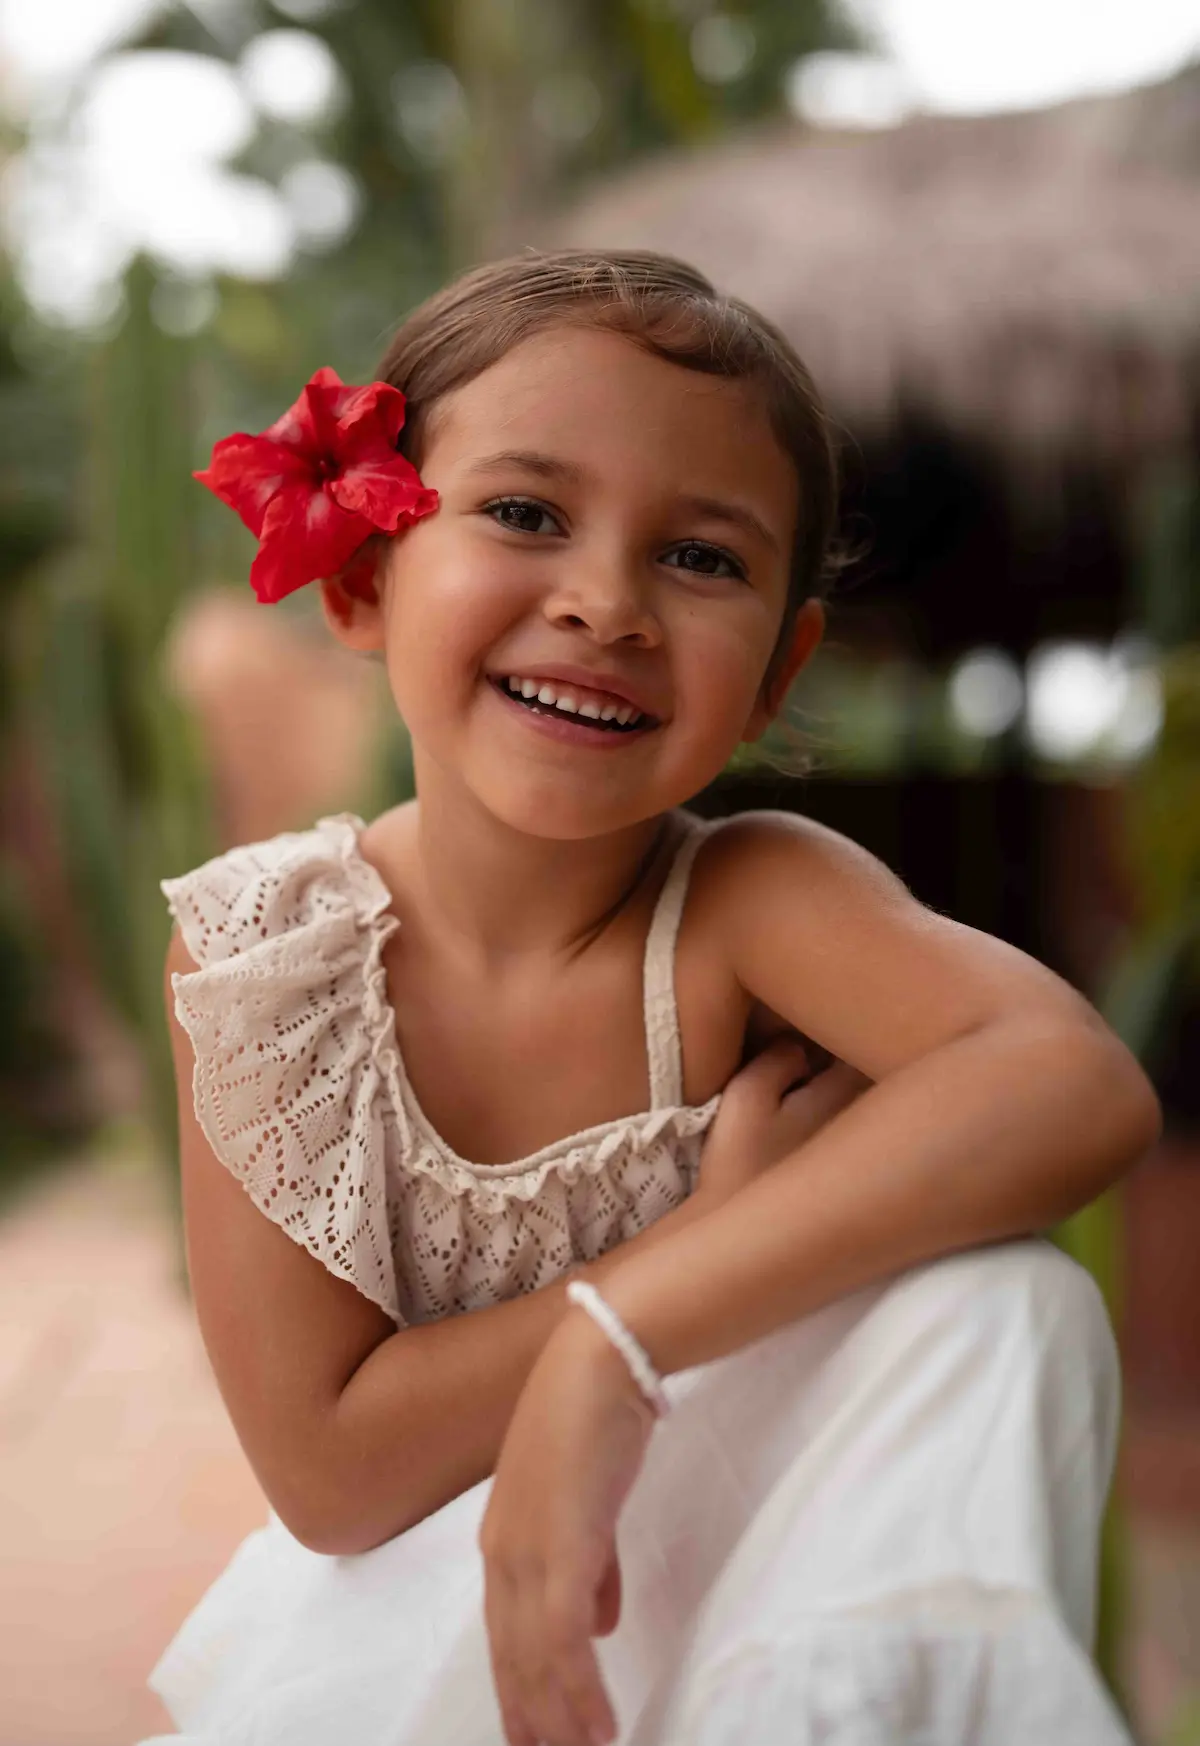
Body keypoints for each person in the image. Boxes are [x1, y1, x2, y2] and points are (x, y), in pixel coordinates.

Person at [142, 250, 1158, 1746]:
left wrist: (623, 1349)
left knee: (1011, 1298)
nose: (607, 602)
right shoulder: (261, 952)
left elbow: (1079, 1084)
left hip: (747, 1595)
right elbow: (335, 1476)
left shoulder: (748, 902)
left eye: (702, 557)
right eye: (527, 513)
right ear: (362, 572)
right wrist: (658, 1279)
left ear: (774, 673)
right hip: (437, 1644)